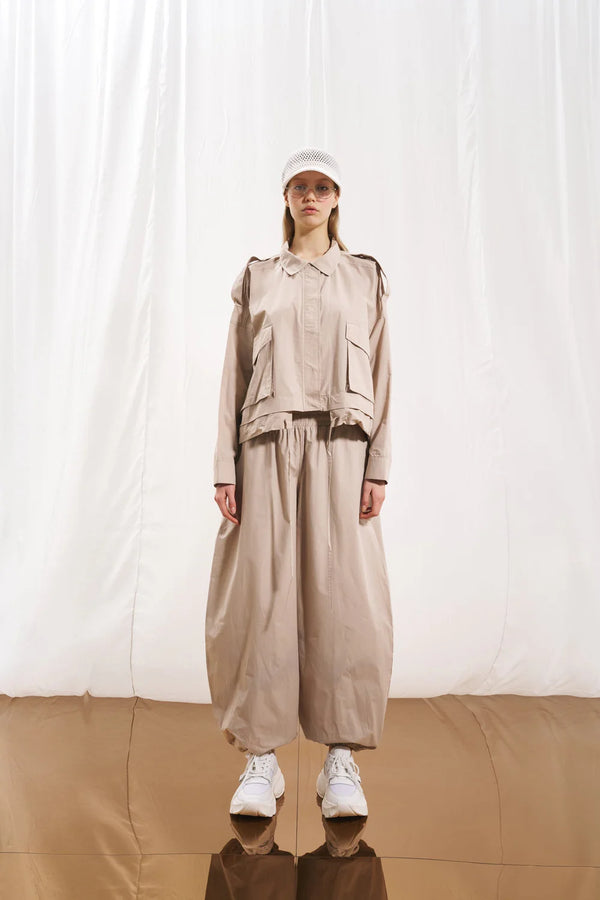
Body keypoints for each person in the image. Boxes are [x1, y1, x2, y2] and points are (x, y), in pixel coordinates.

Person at [205, 146, 394, 818]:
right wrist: (224, 467)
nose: (310, 196)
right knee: (261, 595)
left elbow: (382, 373)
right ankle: (262, 759)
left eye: (322, 186)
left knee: (345, 600)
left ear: (337, 197)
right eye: (299, 186)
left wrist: (378, 465)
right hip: (265, 446)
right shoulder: (258, 278)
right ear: (285, 197)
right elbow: (233, 375)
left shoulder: (364, 277)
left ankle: (340, 759)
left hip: (344, 447)